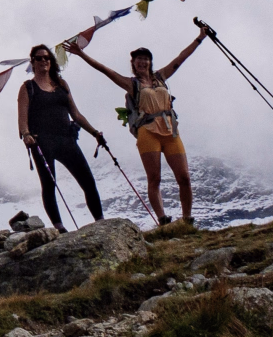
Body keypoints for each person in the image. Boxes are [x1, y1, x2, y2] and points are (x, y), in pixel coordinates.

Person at [72, 26, 211, 226]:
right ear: (134, 64)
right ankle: (162, 219)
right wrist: (81, 54)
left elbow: (181, 57)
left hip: (170, 131)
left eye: (145, 58)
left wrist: (200, 37)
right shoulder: (132, 84)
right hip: (148, 132)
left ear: (150, 62)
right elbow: (106, 71)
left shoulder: (161, 77)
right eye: (138, 59)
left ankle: (187, 218)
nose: (142, 62)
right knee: (154, 178)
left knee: (184, 177)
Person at [17, 43, 106, 231]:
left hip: (66, 138)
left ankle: (101, 221)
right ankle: (59, 228)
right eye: (39, 58)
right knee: (49, 184)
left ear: (51, 61)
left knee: (88, 181)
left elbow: (76, 114)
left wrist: (94, 133)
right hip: (41, 141)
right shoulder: (27, 88)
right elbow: (22, 118)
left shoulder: (61, 85)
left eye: (46, 57)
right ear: (32, 62)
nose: (43, 61)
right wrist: (26, 134)